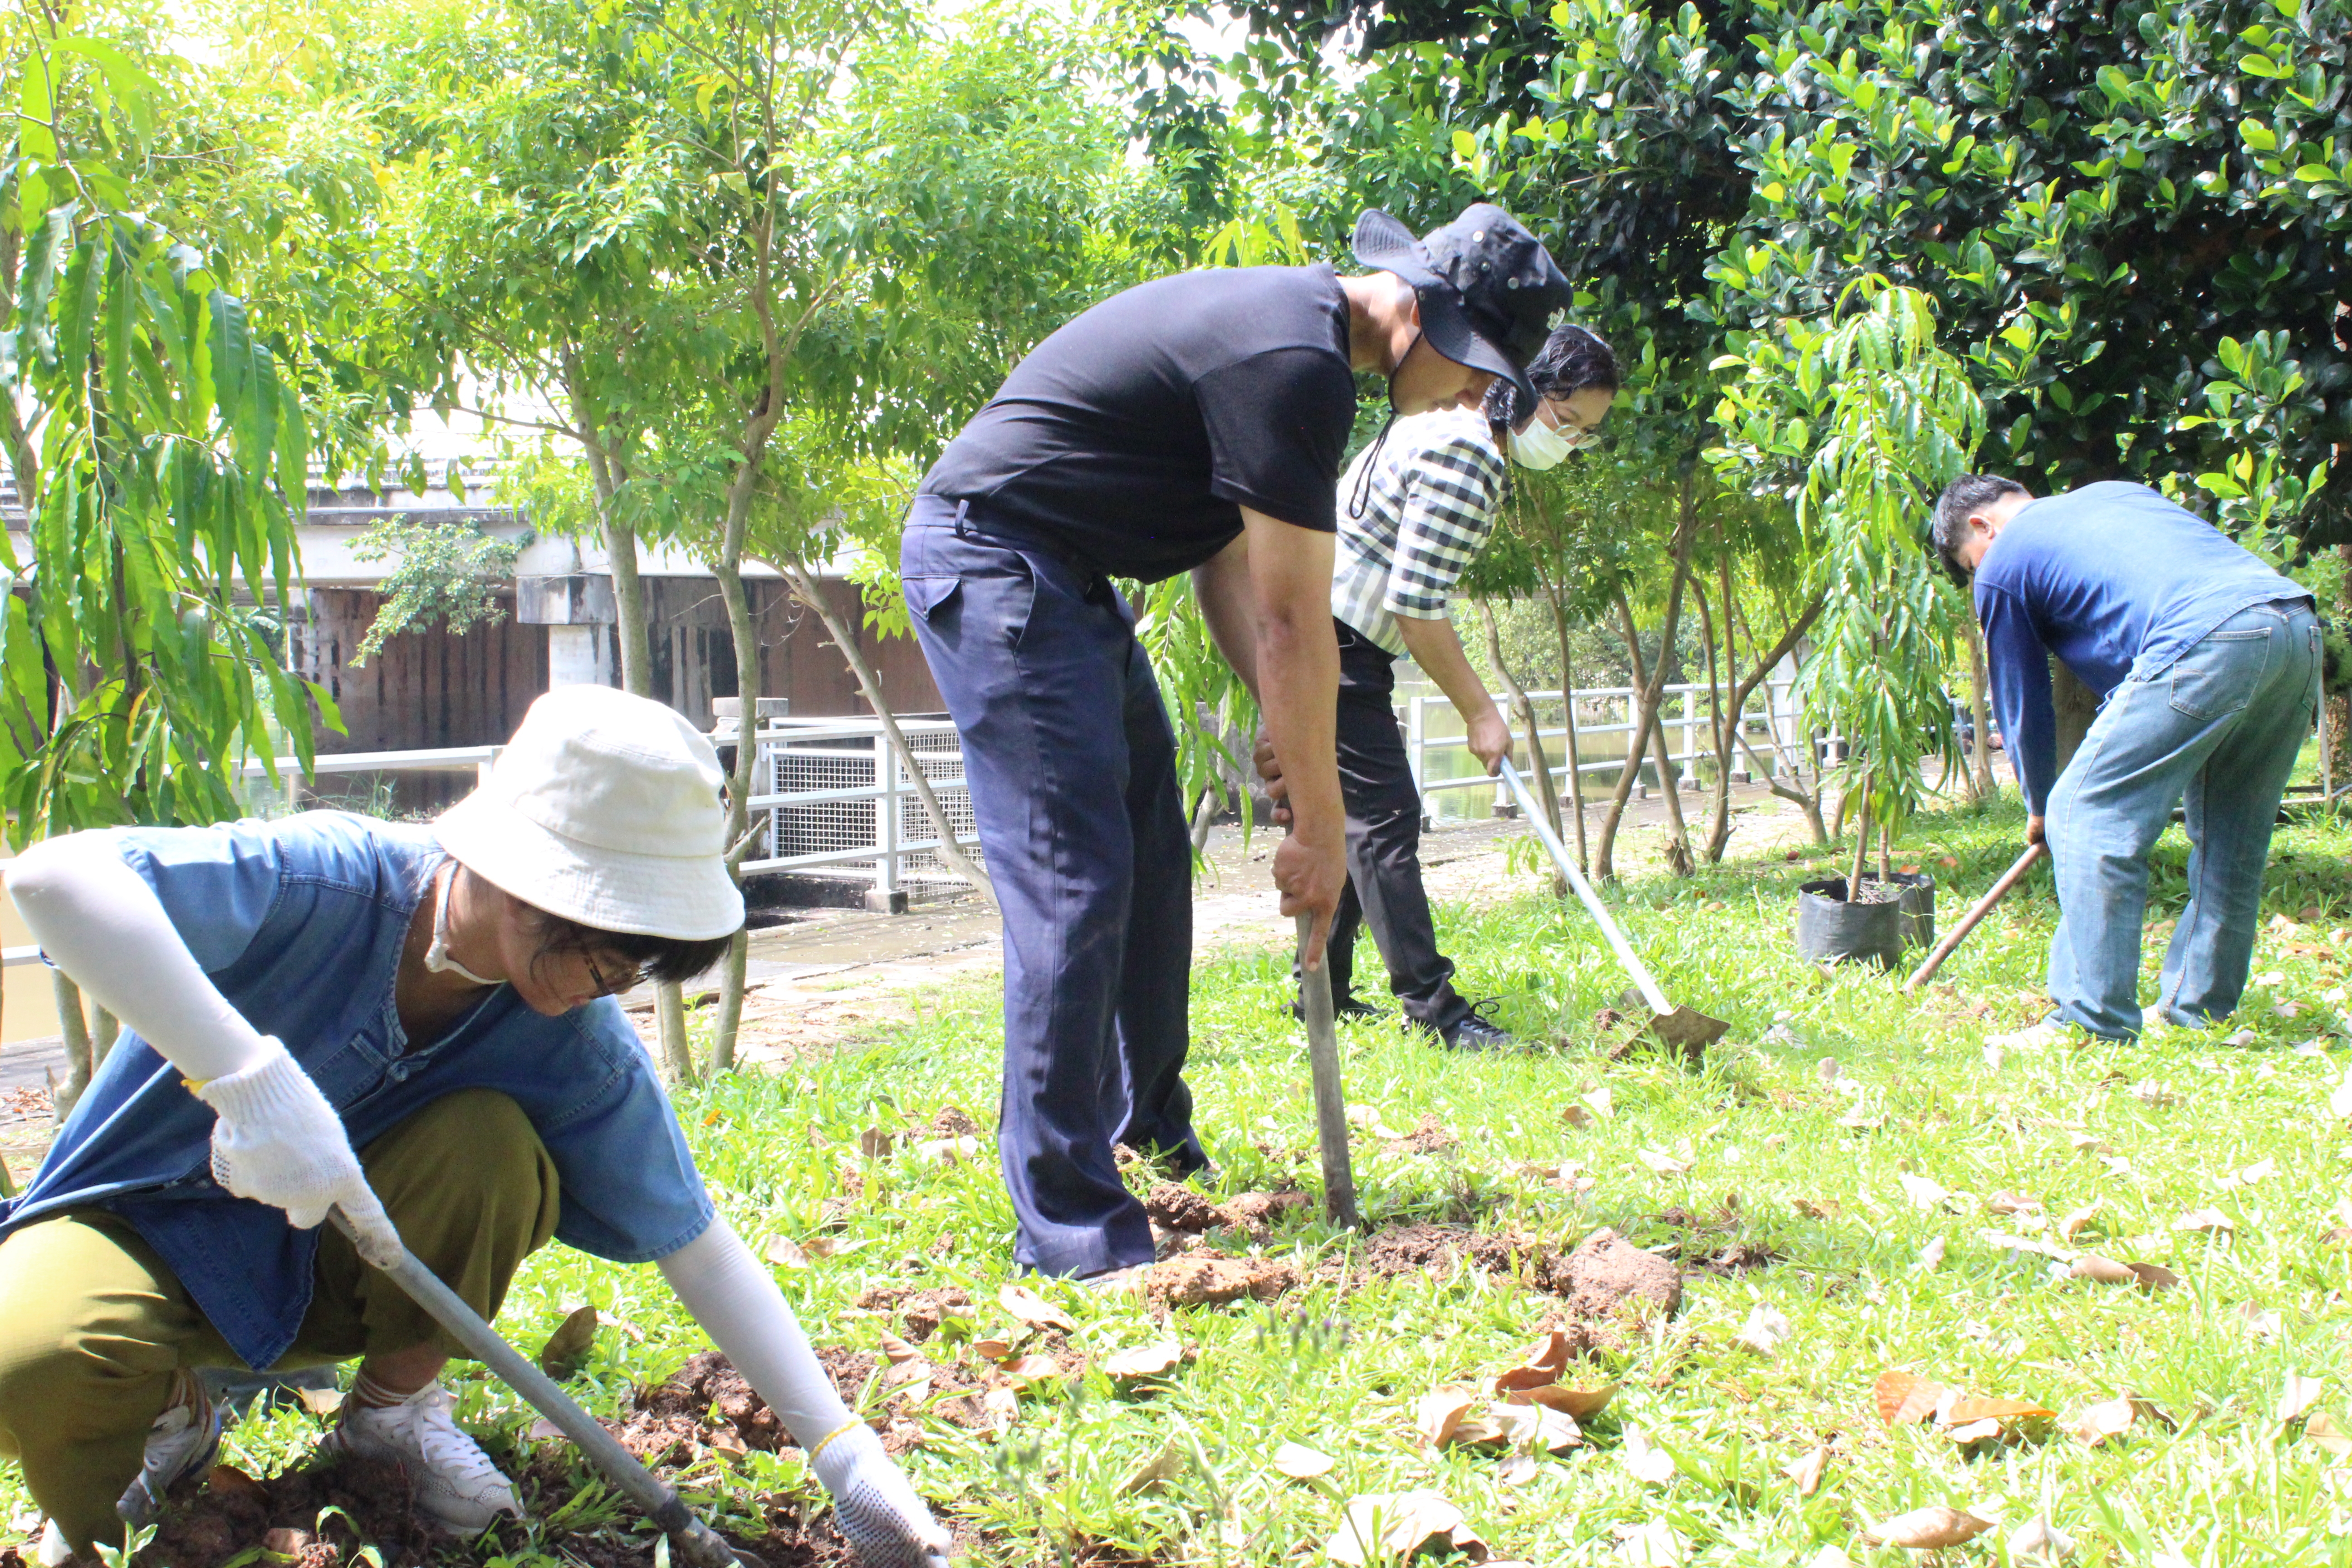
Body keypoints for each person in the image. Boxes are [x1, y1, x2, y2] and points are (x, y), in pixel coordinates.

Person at [0, 686, 948, 1568]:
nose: (597, 981)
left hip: (329, 1280)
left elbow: (694, 1244)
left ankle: (391, 1416)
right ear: (512, 867)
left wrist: (841, 1449)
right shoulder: (329, 884)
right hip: (137, 1230)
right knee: (36, 1357)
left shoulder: (572, 1041)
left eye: (629, 965)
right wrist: (246, 1078)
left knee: (488, 1145)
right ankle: (169, 1426)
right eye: (590, 937)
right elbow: (55, 879)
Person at [902, 204, 1574, 1280]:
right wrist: (1319, 825)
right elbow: (1292, 620)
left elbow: (1225, 562)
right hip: (994, 561)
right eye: (1476, 366)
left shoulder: (1298, 346)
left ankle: (1147, 1131)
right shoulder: (1292, 358)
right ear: (1419, 315)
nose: (1474, 395)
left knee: (1149, 858)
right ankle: (1071, 1224)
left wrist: (1276, 719)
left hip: (1066, 579)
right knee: (1075, 878)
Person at [1266, 325, 1619, 1048]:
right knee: (1385, 824)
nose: (1571, 442)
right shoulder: (1468, 457)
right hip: (1340, 641)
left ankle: (1320, 995)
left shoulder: (1440, 412)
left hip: (1317, 626)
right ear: (1525, 388)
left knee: (1355, 823)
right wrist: (1481, 712)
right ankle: (1435, 1013)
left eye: (1586, 435)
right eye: (1568, 421)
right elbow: (1416, 605)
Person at [1931, 475, 2318, 1042]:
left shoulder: (2004, 559)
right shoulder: (2117, 495)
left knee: (2086, 814)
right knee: (2232, 838)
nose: (1979, 575)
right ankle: (2198, 1012)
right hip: (2292, 625)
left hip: (2205, 636)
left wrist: (2041, 805)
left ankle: (2090, 1022)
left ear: (1981, 527)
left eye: (1970, 565)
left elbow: (2020, 699)